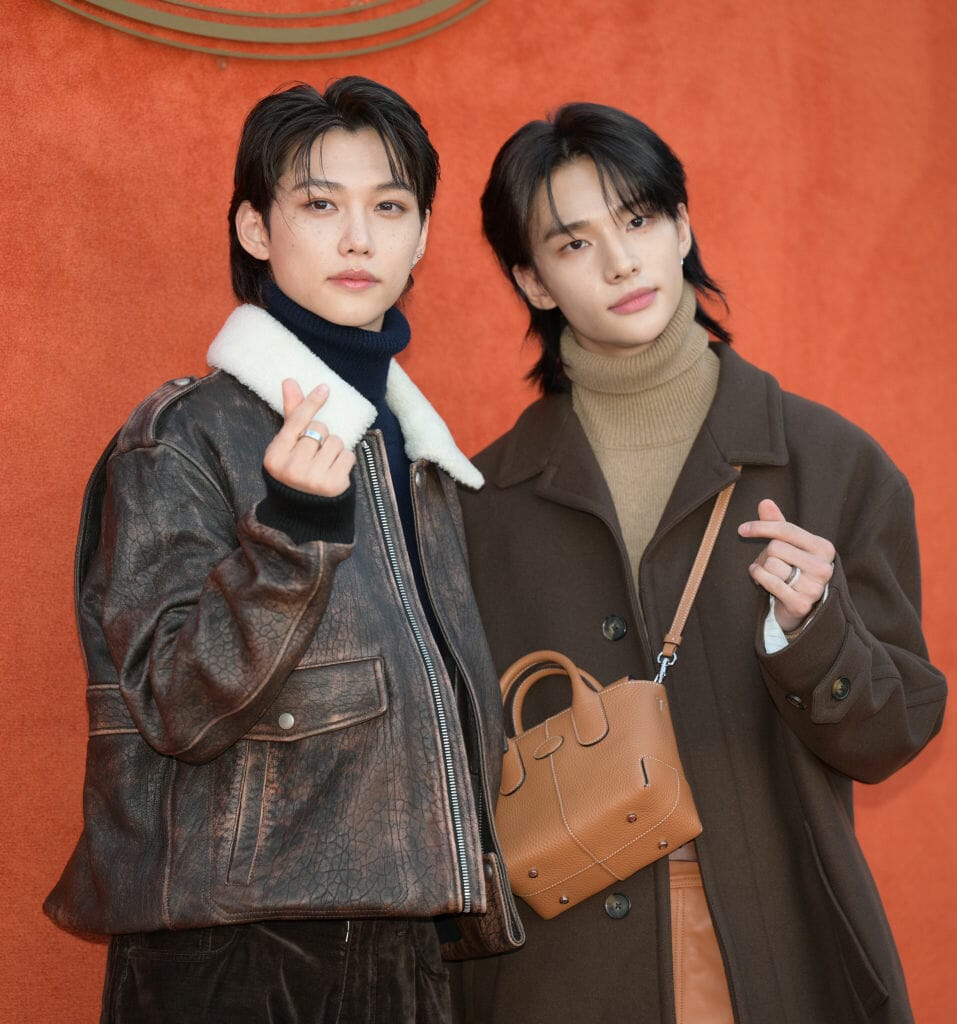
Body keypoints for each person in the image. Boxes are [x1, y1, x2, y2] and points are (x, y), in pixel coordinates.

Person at [451, 103, 946, 1024]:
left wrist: (814, 633)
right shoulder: (476, 501)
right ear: (532, 280)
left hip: (766, 945)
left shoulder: (829, 463)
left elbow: (892, 733)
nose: (620, 262)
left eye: (638, 220)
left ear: (681, 225)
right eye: (573, 243)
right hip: (550, 968)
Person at [44, 77, 522, 1024]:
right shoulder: (185, 436)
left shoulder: (413, 453)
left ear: (423, 235)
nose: (358, 238)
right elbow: (175, 705)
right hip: (235, 954)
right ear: (255, 229)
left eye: (389, 207)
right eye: (318, 204)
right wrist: (290, 535)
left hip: (406, 940)